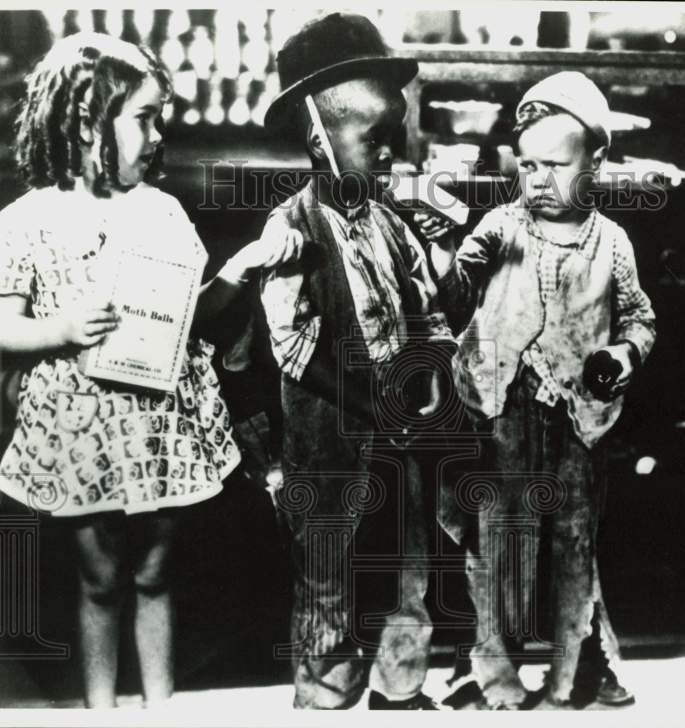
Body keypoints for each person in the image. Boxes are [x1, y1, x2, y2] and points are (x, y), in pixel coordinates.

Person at [0, 32, 298, 708]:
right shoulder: (26, 219)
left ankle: (158, 707)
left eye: (162, 117)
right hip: (83, 424)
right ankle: (100, 710)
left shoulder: (163, 210)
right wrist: (58, 329)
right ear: (88, 121)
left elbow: (194, 313)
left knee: (155, 573)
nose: (159, 133)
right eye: (146, 116)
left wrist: (241, 267)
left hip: (158, 422)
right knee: (99, 578)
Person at [417, 71, 656, 710]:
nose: (539, 180)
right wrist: (446, 256)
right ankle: (492, 673)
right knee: (499, 539)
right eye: (527, 165)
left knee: (573, 540)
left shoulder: (613, 242)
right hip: (502, 409)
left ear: (597, 160)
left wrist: (624, 354)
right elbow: (458, 292)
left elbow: (638, 317)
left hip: (579, 415)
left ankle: (574, 671)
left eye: (556, 164)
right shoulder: (501, 225)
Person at [252, 13, 455, 710]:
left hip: (402, 434)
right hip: (330, 442)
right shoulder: (290, 230)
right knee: (328, 569)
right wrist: (375, 406)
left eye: (395, 139)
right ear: (318, 137)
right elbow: (295, 345)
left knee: (408, 564)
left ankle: (401, 687)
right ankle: (326, 692)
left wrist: (426, 380)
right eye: (377, 140)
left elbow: (427, 313)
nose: (392, 155)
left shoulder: (395, 225)